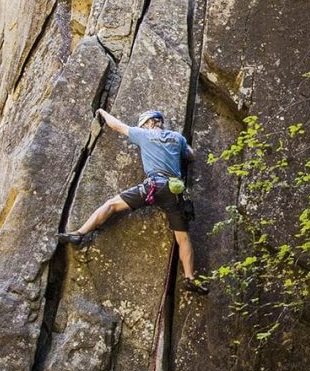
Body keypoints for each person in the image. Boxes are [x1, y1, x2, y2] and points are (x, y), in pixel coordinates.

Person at [59, 108, 208, 296]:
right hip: (174, 191)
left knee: (112, 205)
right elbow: (191, 155)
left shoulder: (143, 135)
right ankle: (189, 278)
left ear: (149, 122)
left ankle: (79, 233)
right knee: (183, 237)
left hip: (153, 186)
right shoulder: (177, 138)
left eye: (143, 124)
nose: (143, 127)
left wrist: (102, 112)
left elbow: (117, 125)